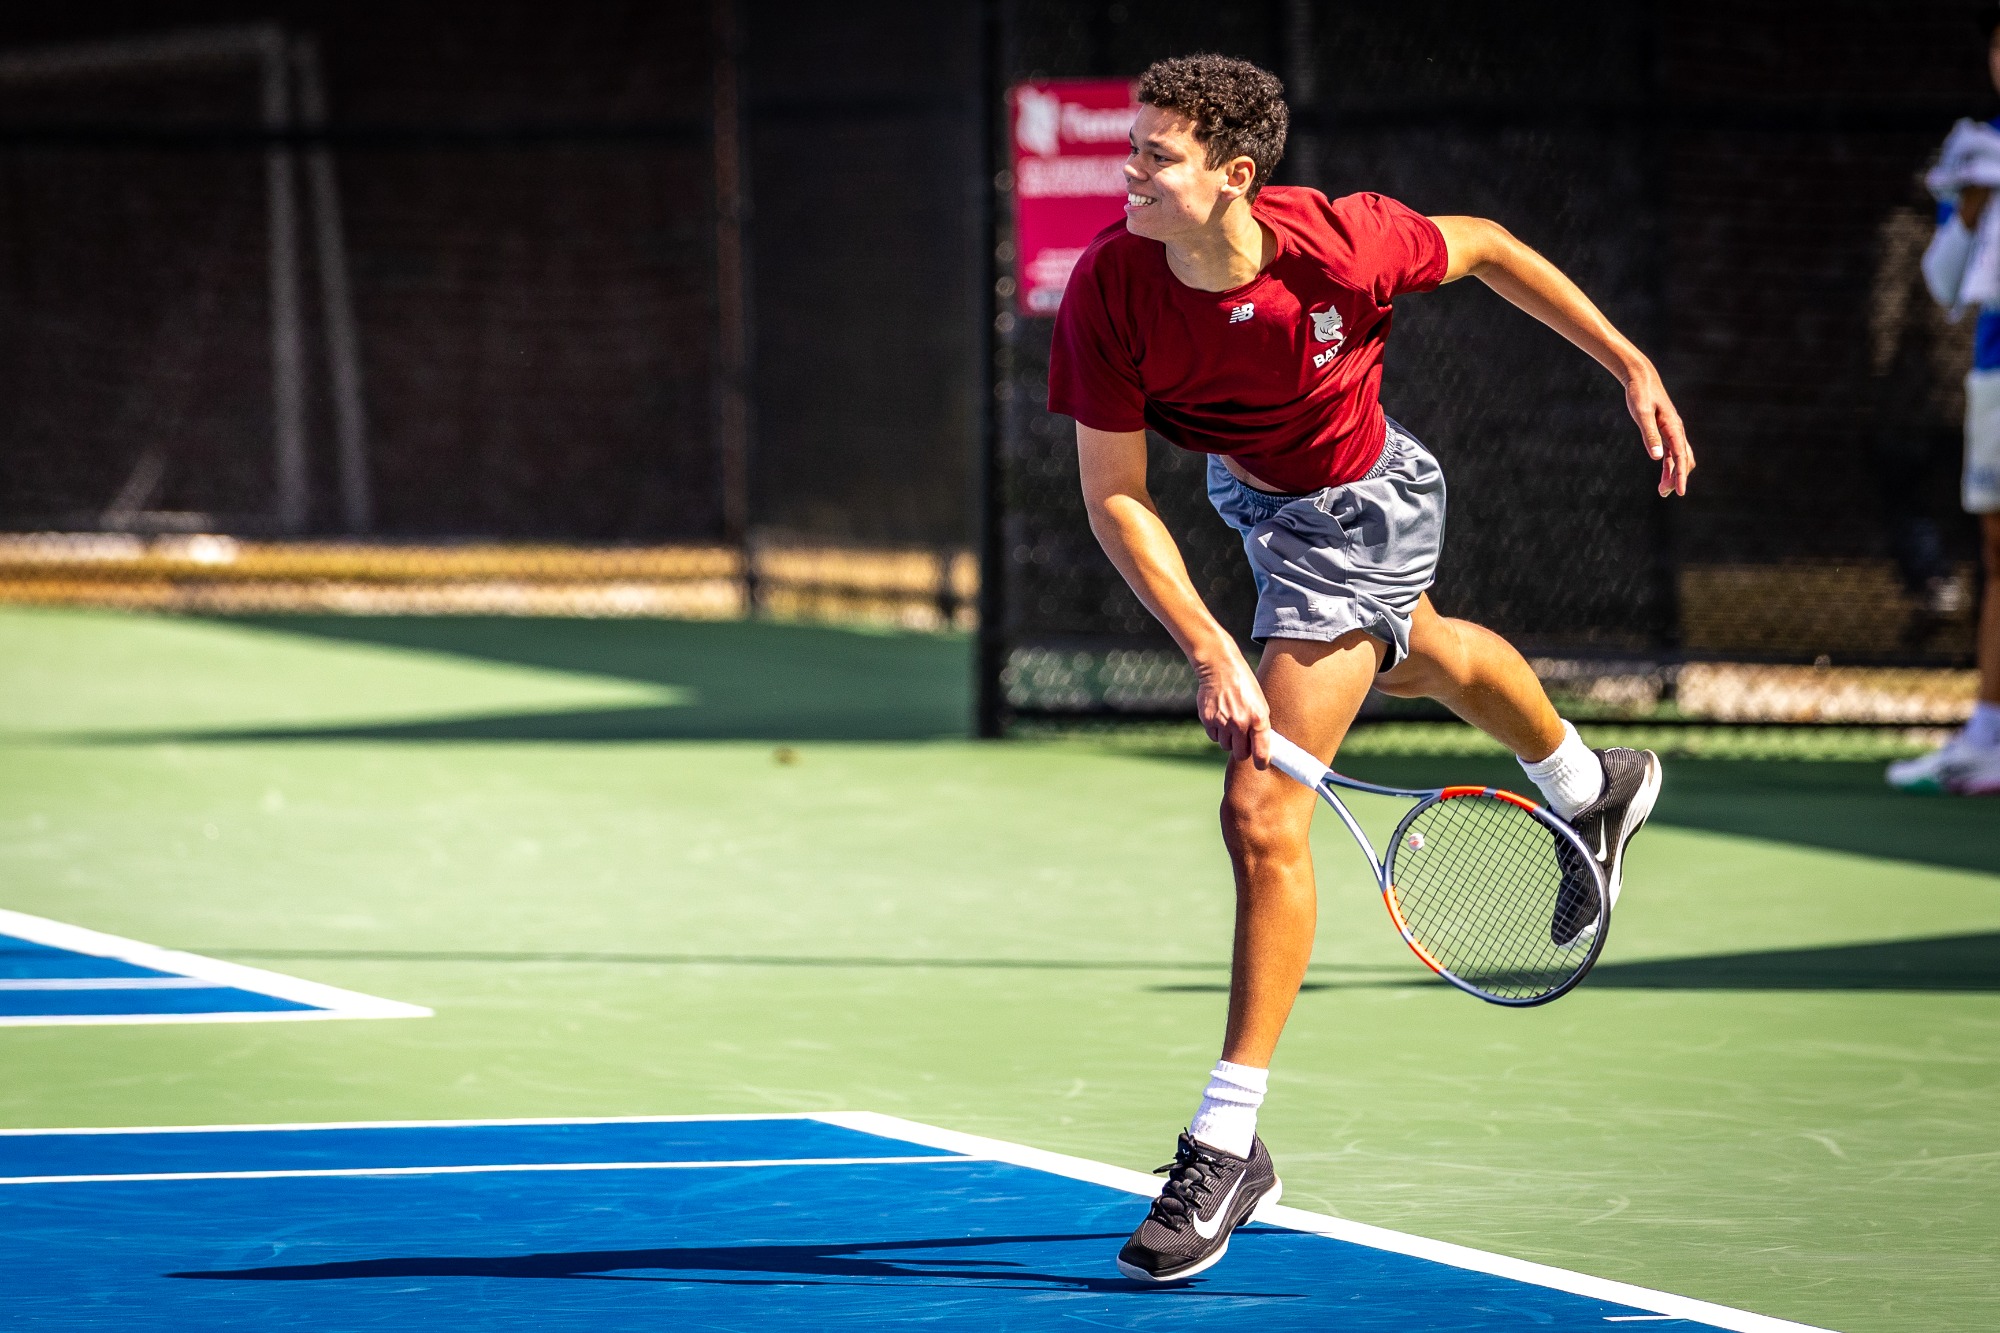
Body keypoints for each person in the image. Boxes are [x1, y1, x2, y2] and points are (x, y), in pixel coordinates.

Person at [1046, 54, 1694, 1283]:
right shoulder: (1110, 284)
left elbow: (1493, 245)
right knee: (1416, 656)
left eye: (1153, 156)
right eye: (1128, 147)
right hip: (1255, 497)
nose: (1124, 171)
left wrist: (1627, 363)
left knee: (1259, 806)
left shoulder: (1341, 248)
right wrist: (1208, 643)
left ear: (1235, 178)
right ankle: (1583, 782)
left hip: (1357, 508)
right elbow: (1114, 495)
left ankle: (1225, 1139)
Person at [1886, 9, 2000, 796]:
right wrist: (1968, 213)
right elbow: (1946, 284)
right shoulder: (1980, 145)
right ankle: (1988, 731)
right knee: (1999, 555)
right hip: (1996, 369)